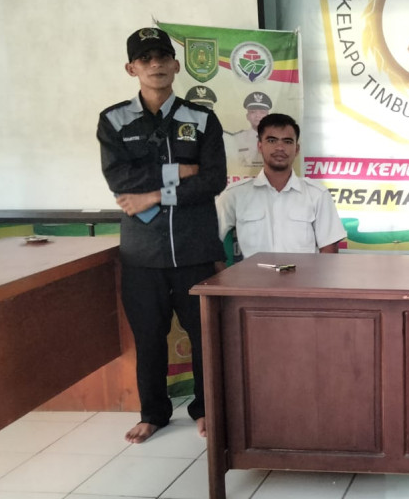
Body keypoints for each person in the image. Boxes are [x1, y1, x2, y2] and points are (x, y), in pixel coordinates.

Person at [96, 28, 226, 443]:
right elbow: (120, 180)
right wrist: (179, 172)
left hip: (195, 251)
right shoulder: (114, 120)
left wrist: (154, 193)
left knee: (205, 335)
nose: (155, 64)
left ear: (176, 64)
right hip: (142, 255)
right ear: (131, 68)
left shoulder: (201, 118)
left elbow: (213, 180)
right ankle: (153, 413)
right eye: (145, 58)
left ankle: (206, 409)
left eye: (162, 56)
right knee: (149, 338)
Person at [216, 113, 345, 257]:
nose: (280, 148)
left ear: (296, 149)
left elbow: (329, 249)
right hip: (254, 272)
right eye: (272, 140)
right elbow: (208, 240)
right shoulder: (236, 194)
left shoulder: (317, 194)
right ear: (260, 146)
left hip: (303, 272)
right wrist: (223, 272)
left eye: (287, 141)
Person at [224, 91, 272, 177]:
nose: (258, 116)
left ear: (268, 116)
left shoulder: (277, 140)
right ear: (247, 116)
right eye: (253, 112)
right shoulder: (236, 139)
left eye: (262, 112)